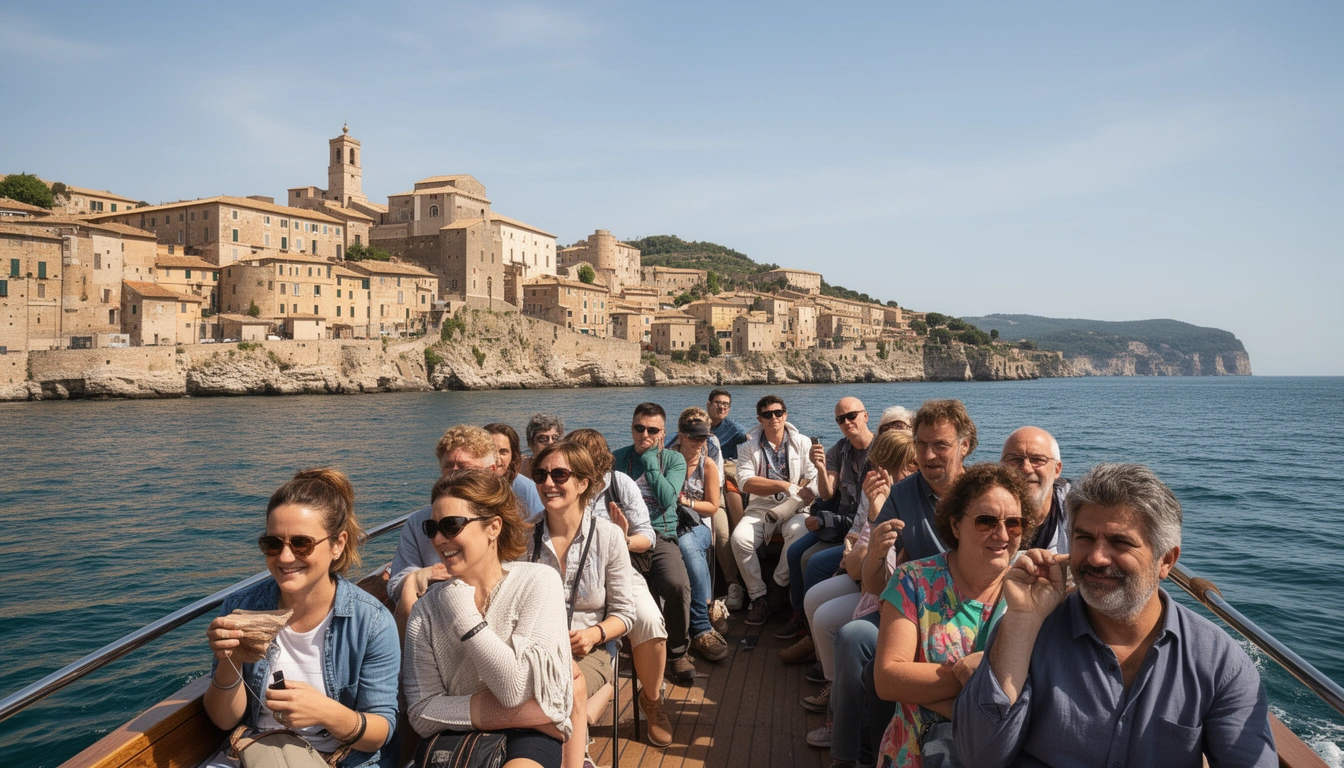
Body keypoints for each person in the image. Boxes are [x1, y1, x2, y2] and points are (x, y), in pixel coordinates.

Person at [954, 463, 1277, 768]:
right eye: (1084, 538)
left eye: (1120, 542)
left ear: (1165, 561)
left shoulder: (1218, 662)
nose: (1096, 557)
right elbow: (978, 758)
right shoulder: (1032, 629)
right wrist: (1022, 619)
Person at [204, 469, 399, 768]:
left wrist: (325, 713)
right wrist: (230, 662)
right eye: (273, 544)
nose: (284, 557)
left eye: (301, 543)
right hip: (257, 753)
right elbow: (223, 720)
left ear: (337, 544)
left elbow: (380, 733)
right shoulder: (241, 607)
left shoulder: (371, 622)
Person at [401, 470, 575, 768]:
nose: (440, 539)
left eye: (452, 526)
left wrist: (465, 615)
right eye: (432, 528)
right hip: (452, 738)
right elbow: (421, 713)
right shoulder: (425, 610)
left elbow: (513, 688)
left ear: (493, 527)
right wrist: (526, 712)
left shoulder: (538, 582)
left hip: (527, 735)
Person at [839, 399, 976, 767]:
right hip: (917, 607)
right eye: (921, 444)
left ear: (965, 446)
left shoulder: (983, 495)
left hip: (972, 609)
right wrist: (875, 554)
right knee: (866, 655)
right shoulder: (903, 495)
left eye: (941, 445)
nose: (929, 455)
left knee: (889, 671)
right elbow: (873, 583)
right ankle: (864, 755)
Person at [796, 431, 918, 756]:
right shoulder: (883, 500)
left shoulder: (918, 507)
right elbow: (861, 570)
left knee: (843, 629)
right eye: (884, 468)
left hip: (901, 605)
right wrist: (872, 523)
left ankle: (846, 723)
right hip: (874, 592)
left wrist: (864, 542)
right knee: (813, 586)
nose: (892, 476)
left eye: (908, 467)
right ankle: (836, 696)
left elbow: (883, 579)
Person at [524, 442, 637, 765]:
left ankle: (571, 754)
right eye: (541, 475)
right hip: (534, 650)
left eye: (559, 474)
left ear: (583, 483)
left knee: (555, 692)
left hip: (591, 650)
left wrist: (594, 635)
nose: (548, 483)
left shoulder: (608, 536)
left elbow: (624, 614)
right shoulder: (522, 536)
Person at [565, 428, 675, 747]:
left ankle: (651, 701)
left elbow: (648, 537)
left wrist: (620, 539)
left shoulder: (619, 485)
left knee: (651, 621)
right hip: (576, 578)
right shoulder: (561, 489)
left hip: (619, 568)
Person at [611, 403, 699, 685]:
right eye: (639, 428)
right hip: (624, 537)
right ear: (632, 428)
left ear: (663, 433)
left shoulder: (673, 460)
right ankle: (631, 645)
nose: (644, 434)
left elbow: (667, 500)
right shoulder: (618, 458)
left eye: (652, 430)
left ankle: (677, 651)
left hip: (660, 534)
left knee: (676, 584)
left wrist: (650, 460)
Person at [779, 396, 876, 643]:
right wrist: (820, 468)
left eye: (851, 416)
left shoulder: (882, 450)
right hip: (840, 522)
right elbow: (827, 493)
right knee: (794, 552)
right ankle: (800, 614)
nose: (846, 422)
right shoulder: (839, 451)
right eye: (840, 419)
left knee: (812, 561)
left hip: (862, 528)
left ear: (865, 415)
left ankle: (811, 634)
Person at [389, 425, 501, 630]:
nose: (454, 475)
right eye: (449, 466)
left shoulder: (509, 519)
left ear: (491, 471)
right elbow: (396, 584)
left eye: (466, 467)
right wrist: (418, 576)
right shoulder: (419, 523)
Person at [731, 394, 819, 626]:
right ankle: (758, 596)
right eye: (767, 414)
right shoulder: (748, 447)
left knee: (799, 532)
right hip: (760, 508)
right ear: (759, 419)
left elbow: (813, 478)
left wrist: (798, 493)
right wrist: (786, 486)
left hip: (795, 508)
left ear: (785, 415)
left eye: (778, 413)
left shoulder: (802, 442)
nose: (773, 418)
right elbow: (745, 483)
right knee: (739, 539)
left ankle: (778, 585)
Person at [668, 409, 731, 661]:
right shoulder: (667, 459)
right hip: (671, 524)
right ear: (681, 435)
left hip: (699, 524)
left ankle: (701, 626)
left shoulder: (708, 464)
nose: (699, 443)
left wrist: (685, 502)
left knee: (688, 547)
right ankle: (706, 608)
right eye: (693, 437)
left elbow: (712, 506)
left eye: (703, 437)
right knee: (688, 548)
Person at [707, 388, 750, 610]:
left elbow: (751, 438)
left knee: (725, 530)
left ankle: (735, 584)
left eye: (725, 404)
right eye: (717, 403)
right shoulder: (699, 425)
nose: (721, 407)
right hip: (700, 479)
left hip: (724, 475)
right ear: (708, 404)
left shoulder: (732, 428)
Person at [999, 426, 1069, 552]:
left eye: (1037, 460)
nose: (1026, 468)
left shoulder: (1077, 512)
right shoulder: (980, 512)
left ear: (1057, 469)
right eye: (1014, 459)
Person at [484, 422, 546, 520]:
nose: (496, 458)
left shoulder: (527, 489)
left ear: (513, 455)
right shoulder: (465, 485)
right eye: (489, 451)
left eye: (503, 452)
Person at [520, 413, 565, 478]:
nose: (550, 442)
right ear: (530, 443)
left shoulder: (566, 468)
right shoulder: (524, 466)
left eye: (555, 438)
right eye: (542, 439)